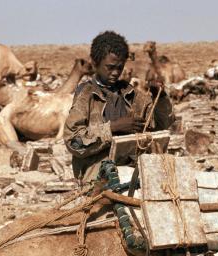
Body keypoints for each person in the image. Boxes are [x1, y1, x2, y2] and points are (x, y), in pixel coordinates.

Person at [64, 31, 174, 182]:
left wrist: (159, 97)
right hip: (98, 178)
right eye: (110, 67)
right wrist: (113, 128)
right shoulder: (87, 95)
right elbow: (73, 141)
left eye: (119, 67)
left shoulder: (131, 94)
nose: (115, 73)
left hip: (134, 173)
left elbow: (161, 126)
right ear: (95, 64)